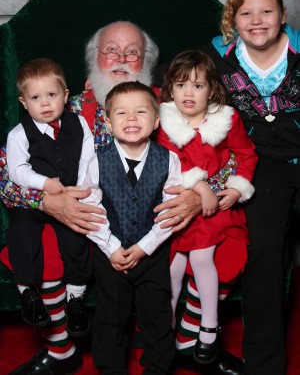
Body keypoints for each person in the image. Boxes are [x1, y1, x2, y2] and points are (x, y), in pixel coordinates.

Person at [0, 21, 203, 375]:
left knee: (204, 239)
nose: (121, 59)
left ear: (147, 62)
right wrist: (48, 202)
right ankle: (60, 347)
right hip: (94, 225)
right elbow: (6, 174)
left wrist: (200, 195)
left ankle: (191, 341)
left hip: (149, 224)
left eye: (132, 52)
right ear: (94, 60)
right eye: (111, 51)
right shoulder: (65, 105)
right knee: (43, 241)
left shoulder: (168, 106)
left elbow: (212, 155)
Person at [202, 0, 300, 375]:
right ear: (233, 18)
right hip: (260, 167)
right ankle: (264, 365)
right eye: (246, 13)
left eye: (266, 11)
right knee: (263, 252)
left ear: (281, 15)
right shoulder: (216, 58)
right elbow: (182, 94)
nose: (257, 20)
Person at [156, 50, 257, 365]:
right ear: (170, 88)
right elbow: (169, 165)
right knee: (170, 268)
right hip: (178, 206)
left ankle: (208, 327)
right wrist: (200, 187)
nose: (189, 93)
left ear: (212, 90)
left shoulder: (226, 119)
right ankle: (166, 331)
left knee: (202, 256)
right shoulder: (165, 121)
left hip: (218, 212)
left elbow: (246, 154)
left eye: (198, 86)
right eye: (181, 85)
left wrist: (236, 188)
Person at [90, 81, 182, 374]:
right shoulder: (94, 160)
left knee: (157, 316)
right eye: (121, 113)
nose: (131, 119)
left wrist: (144, 248)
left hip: (152, 254)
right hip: (109, 254)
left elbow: (171, 213)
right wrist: (112, 248)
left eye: (140, 112)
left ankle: (158, 367)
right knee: (110, 319)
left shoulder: (169, 160)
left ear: (156, 121)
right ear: (107, 121)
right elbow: (90, 211)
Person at [6, 58, 97, 335]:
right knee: (22, 230)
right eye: (36, 97)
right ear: (23, 102)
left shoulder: (79, 123)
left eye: (52, 95)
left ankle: (76, 297)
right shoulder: (19, 134)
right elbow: (16, 171)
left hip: (71, 195)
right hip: (34, 200)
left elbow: (87, 159)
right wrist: (45, 184)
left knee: (75, 236)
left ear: (65, 96)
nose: (45, 103)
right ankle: (27, 292)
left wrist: (80, 190)